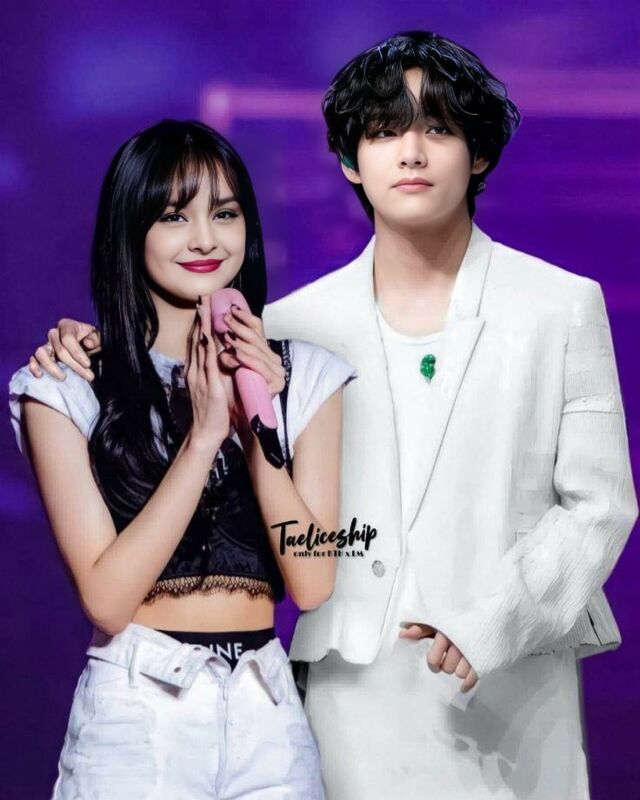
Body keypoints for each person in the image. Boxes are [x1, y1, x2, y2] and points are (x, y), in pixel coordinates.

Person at [27, 32, 637, 800]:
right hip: (348, 696)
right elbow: (176, 365)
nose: (411, 153)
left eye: (439, 128)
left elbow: (600, 506)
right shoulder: (291, 327)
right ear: (350, 161)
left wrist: (496, 620)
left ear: (479, 153)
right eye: (384, 132)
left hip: (509, 688)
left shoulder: (560, 306)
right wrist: (99, 344)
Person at [9, 119, 356, 799]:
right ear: (130, 230)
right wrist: (201, 439)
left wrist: (256, 425)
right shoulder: (65, 386)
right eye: (174, 216)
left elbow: (313, 581)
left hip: (267, 711)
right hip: (137, 711)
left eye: (224, 214)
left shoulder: (309, 377)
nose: (205, 239)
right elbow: (107, 600)